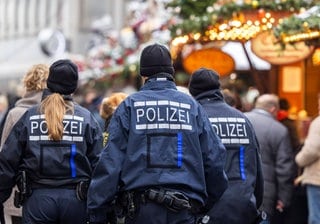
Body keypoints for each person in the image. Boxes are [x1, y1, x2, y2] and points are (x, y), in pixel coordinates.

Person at [87, 43, 228, 224]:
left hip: (141, 212)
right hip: (184, 211)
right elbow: (214, 159)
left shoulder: (130, 106)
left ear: (143, 75)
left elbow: (110, 162)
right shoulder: (192, 107)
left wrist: (97, 211)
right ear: (171, 72)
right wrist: (203, 205)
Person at [0, 59, 103, 224]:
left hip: (37, 201)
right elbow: (99, 164)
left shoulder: (30, 117)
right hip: (76, 201)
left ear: (49, 83)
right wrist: (101, 207)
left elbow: (7, 162)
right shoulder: (86, 118)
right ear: (74, 87)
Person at [188, 68, 264, 224]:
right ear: (218, 88)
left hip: (207, 212)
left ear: (192, 91)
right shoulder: (242, 119)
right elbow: (257, 168)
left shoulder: (193, 118)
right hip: (243, 207)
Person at [0, 63, 49, 224]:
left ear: (27, 84)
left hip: (16, 195)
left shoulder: (15, 113)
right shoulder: (54, 112)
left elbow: (5, 155)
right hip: (47, 195)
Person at [245, 94, 295, 223]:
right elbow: (284, 169)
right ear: (273, 109)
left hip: (237, 192)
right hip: (265, 196)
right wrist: (284, 198)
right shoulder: (279, 130)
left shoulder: (241, 120)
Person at [295, 93, 320, 224]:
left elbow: (312, 150)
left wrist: (298, 159)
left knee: (316, 218)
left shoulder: (318, 123)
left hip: (317, 179)